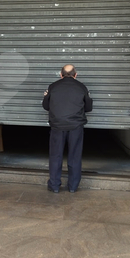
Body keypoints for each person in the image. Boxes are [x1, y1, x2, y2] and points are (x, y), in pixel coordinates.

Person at [42, 64, 93, 193]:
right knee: (74, 156)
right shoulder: (82, 87)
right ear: (75, 75)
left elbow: (46, 106)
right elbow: (88, 108)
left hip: (57, 126)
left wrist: (46, 96)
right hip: (75, 127)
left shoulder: (53, 86)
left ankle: (54, 186)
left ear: (61, 74)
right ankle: (73, 186)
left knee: (55, 156)